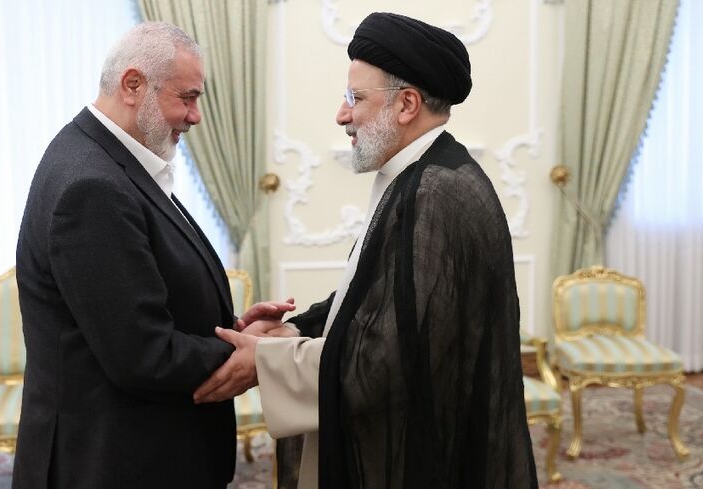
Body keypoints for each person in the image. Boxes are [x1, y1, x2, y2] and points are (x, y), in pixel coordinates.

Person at [194, 12, 538, 489]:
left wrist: (266, 361)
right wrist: (291, 330)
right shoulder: (419, 175)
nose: (342, 114)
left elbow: (386, 360)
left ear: (407, 104)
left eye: (355, 97)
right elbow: (371, 300)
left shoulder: (437, 192)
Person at [13, 22, 292, 488]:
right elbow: (142, 355)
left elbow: (137, 301)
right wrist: (256, 354)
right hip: (115, 462)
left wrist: (233, 328)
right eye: (187, 97)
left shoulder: (107, 157)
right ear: (133, 85)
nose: (196, 116)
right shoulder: (93, 186)